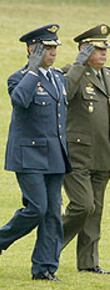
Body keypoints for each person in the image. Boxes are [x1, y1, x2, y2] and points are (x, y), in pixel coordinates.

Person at [0, 24, 71, 281]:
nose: (52, 52)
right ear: (31, 49)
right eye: (46, 47)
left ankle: (45, 267)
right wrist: (33, 70)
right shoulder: (19, 78)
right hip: (29, 155)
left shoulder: (58, 77)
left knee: (52, 213)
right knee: (36, 208)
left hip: (55, 154)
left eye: (54, 47)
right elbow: (20, 100)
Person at [61, 24, 110, 274]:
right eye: (98, 49)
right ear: (84, 49)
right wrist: (79, 64)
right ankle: (49, 245)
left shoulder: (107, 75)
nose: (104, 53)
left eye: (105, 48)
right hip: (78, 153)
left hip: (103, 154)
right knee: (83, 205)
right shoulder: (73, 73)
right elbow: (63, 95)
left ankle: (89, 262)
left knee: (96, 210)